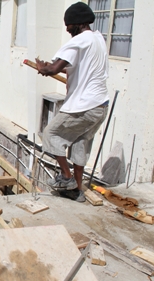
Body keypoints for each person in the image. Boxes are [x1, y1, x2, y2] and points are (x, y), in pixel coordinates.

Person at [35, 2, 109, 202]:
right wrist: (56, 69)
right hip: (100, 106)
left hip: (83, 106)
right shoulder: (98, 39)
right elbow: (77, 68)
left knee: (50, 134)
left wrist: (43, 68)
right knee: (79, 145)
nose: (67, 30)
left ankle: (67, 178)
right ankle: (77, 191)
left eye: (68, 26)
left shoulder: (78, 41)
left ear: (77, 23)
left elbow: (53, 69)